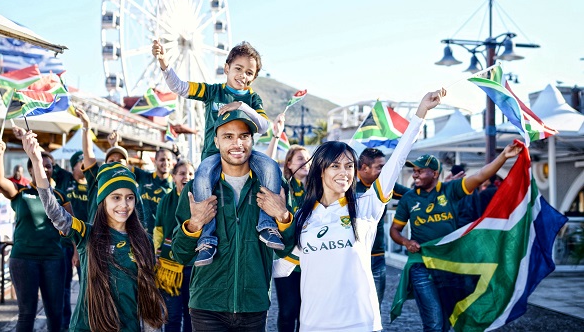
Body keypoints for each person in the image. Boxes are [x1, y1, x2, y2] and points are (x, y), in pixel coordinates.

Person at [288, 90, 443, 332]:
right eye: (335, 166)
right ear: (320, 171)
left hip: (360, 323)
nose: (344, 172)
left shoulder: (366, 205)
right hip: (313, 325)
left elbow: (397, 160)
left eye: (349, 166)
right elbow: (282, 265)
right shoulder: (302, 217)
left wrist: (420, 114)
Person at [154, 39, 283, 266]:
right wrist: (164, 63)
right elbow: (181, 87)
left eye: (249, 73)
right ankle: (207, 239)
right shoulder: (213, 91)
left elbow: (263, 126)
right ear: (226, 68)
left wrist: (240, 107)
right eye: (238, 69)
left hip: (244, 154)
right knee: (202, 177)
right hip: (214, 156)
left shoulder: (252, 98)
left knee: (271, 167)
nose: (243, 75)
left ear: (254, 78)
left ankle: (267, 224)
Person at [21, 131, 167, 332]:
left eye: (129, 197)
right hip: (86, 327)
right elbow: (55, 213)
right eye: (115, 197)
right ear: (102, 201)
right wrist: (37, 163)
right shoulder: (87, 234)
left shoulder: (143, 241)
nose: (124, 204)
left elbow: (148, 299)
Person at [172, 110, 294, 332]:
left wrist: (283, 216)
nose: (237, 143)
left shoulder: (275, 187)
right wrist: (194, 225)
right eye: (228, 136)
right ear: (216, 141)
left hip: (253, 305)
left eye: (244, 136)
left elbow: (287, 248)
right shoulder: (195, 190)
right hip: (207, 306)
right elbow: (180, 254)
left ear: (251, 140)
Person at [389, 142, 523, 332]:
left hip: (448, 265)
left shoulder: (450, 190)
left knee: (446, 321)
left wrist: (504, 156)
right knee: (434, 322)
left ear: (435, 174)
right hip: (420, 265)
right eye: (414, 171)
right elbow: (394, 230)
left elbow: (480, 176)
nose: (415, 174)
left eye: (420, 171)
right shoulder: (408, 199)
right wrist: (406, 242)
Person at [0, 139, 69, 332]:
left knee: (55, 313)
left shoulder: (60, 197)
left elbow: (71, 228)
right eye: (40, 166)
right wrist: (0, 153)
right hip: (24, 258)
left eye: (49, 166)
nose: (45, 169)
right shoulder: (20, 192)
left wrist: (76, 252)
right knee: (27, 314)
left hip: (54, 259)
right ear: (31, 170)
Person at [267, 114, 310, 332]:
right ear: (289, 164)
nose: (305, 163)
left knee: (307, 312)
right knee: (288, 311)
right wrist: (276, 134)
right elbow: (266, 164)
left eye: (307, 159)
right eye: (300, 159)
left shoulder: (316, 191)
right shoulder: (282, 187)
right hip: (286, 260)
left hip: (311, 262)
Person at [355, 147, 410, 310]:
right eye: (380, 167)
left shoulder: (385, 184)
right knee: (352, 310)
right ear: (364, 167)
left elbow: (413, 196)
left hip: (377, 258)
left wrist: (443, 188)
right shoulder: (346, 185)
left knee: (374, 311)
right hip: (352, 258)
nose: (384, 171)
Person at [154, 160, 195, 332]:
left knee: (191, 314)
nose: (187, 177)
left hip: (193, 266)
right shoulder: (166, 200)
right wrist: (155, 255)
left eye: (191, 174)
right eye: (182, 173)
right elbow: (159, 229)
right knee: (172, 315)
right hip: (169, 267)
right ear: (174, 176)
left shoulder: (199, 198)